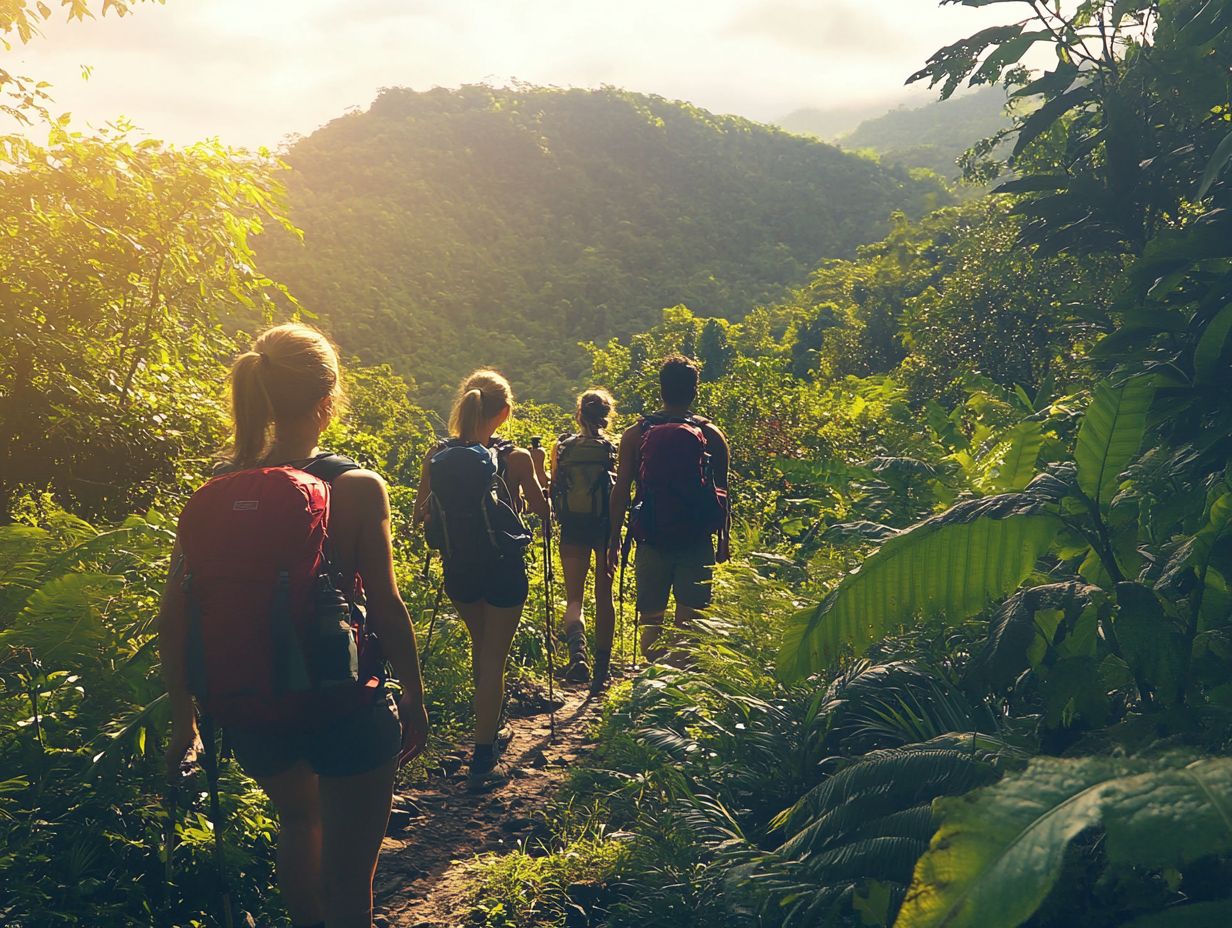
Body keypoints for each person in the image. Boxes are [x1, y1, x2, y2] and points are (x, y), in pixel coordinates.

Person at [159, 323, 429, 928]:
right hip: (345, 706)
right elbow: (384, 603)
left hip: (254, 705)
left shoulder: (216, 492)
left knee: (297, 819)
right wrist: (413, 695)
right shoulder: (357, 486)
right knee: (351, 890)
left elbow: (175, 614)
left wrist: (186, 720)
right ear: (327, 399)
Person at [415, 370, 550, 791]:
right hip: (503, 569)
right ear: (505, 413)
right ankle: (483, 757)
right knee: (494, 656)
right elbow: (543, 511)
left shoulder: (437, 455)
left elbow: (422, 511)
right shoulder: (516, 458)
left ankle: (490, 726)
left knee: (483, 650)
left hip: (459, 569)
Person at [608, 355, 730, 663]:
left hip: (651, 539)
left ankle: (655, 681)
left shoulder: (635, 435)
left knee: (651, 625)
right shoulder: (711, 434)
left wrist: (613, 540)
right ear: (694, 390)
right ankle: (678, 690)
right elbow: (723, 491)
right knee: (690, 628)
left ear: (661, 390)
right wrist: (724, 540)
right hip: (696, 541)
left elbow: (622, 490)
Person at [550, 389, 618, 695]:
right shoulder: (612, 450)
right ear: (606, 415)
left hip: (573, 527)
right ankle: (601, 672)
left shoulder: (562, 448)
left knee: (574, 597)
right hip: (604, 528)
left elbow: (553, 489)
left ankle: (577, 653)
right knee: (604, 596)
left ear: (579, 414)